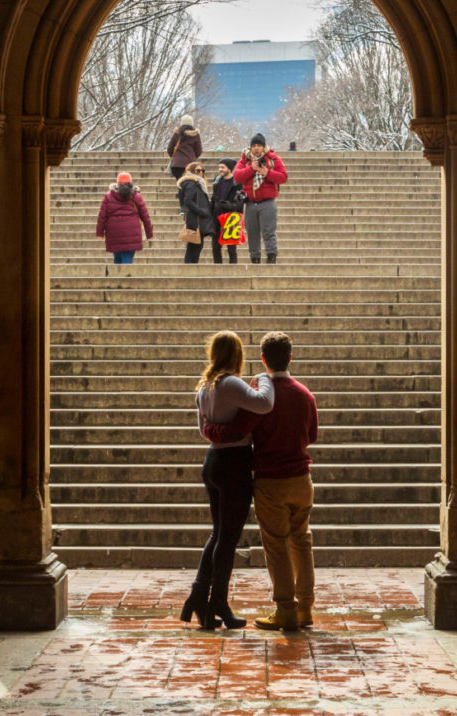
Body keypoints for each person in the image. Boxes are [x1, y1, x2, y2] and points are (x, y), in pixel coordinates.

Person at [202, 331, 319, 631]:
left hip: (271, 479)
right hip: (301, 478)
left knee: (277, 545)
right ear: (290, 358)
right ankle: (306, 607)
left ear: (263, 359)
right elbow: (313, 435)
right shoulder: (306, 394)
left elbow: (239, 429)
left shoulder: (261, 395)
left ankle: (285, 609)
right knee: (302, 541)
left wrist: (210, 431)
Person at [185, 330, 275, 631]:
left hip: (212, 461)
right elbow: (264, 404)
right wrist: (265, 377)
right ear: (237, 355)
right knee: (228, 538)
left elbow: (204, 430)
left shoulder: (205, 386)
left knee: (218, 534)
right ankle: (217, 602)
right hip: (234, 462)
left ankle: (200, 598)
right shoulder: (230, 383)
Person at [234, 133, 288, 264]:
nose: (256, 148)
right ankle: (255, 257)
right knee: (252, 233)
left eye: (259, 145)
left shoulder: (273, 159)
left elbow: (283, 176)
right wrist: (251, 169)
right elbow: (237, 176)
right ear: (250, 147)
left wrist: (267, 173)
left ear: (263, 147)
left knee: (269, 231)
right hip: (250, 202)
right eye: (254, 146)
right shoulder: (245, 160)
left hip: (267, 201)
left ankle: (271, 256)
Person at [96, 171, 153, 264]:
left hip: (114, 233)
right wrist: (148, 233)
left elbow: (102, 217)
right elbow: (145, 216)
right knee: (127, 260)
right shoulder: (136, 196)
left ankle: (116, 277)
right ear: (131, 183)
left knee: (117, 259)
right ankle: (126, 277)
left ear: (117, 184)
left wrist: (100, 233)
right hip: (132, 233)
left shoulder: (108, 196)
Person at [176, 160, 215, 264]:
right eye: (198, 170)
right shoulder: (190, 183)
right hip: (195, 218)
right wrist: (201, 211)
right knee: (194, 245)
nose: (201, 173)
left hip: (196, 218)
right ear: (192, 171)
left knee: (195, 245)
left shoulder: (197, 183)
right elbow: (188, 201)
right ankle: (190, 268)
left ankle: (191, 267)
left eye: (202, 170)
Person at [211, 158, 245, 265]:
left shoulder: (238, 182)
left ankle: (233, 269)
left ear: (229, 168)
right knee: (215, 246)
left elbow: (242, 201)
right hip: (217, 214)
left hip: (231, 215)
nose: (220, 169)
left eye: (223, 167)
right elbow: (213, 198)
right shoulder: (217, 180)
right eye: (219, 167)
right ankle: (217, 267)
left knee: (231, 247)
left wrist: (231, 205)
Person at [167, 114, 203, 180]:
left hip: (177, 164)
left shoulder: (177, 133)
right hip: (190, 164)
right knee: (189, 183)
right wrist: (193, 157)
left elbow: (170, 148)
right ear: (191, 123)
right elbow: (199, 150)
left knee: (180, 184)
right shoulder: (195, 134)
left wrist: (175, 157)